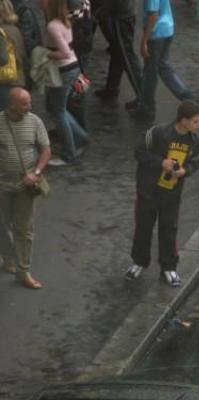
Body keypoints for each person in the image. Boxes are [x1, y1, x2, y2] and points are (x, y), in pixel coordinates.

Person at [126, 100, 199, 286]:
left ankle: (169, 267)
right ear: (183, 121)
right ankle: (139, 262)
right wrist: (161, 163)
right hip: (148, 191)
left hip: (172, 193)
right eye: (196, 121)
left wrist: (185, 171)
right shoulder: (158, 133)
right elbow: (139, 151)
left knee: (169, 229)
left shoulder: (196, 139)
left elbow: (197, 160)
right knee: (143, 228)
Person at [0, 87, 51, 289]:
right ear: (11, 105)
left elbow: (46, 150)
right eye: (25, 103)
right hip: (2, 187)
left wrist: (35, 173)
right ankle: (8, 257)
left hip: (24, 187)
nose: (30, 106)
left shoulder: (34, 122)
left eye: (29, 102)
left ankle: (23, 271)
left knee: (24, 230)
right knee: (2, 226)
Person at [129, 0, 193, 121]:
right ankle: (186, 96)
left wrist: (144, 40)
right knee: (163, 67)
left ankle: (147, 108)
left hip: (156, 33)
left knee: (150, 72)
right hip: (167, 28)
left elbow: (153, 15)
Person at [44, 0, 89, 165]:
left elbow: (64, 52)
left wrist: (47, 54)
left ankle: (69, 153)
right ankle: (81, 137)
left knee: (58, 110)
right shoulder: (66, 22)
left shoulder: (53, 26)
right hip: (73, 68)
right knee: (56, 108)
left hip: (64, 70)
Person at [92, 0, 143, 105]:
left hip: (117, 14)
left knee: (125, 54)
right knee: (118, 51)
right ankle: (112, 88)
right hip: (114, 13)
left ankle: (144, 96)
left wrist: (97, 14)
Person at [0, 0, 28, 110]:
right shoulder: (15, 29)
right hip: (18, 78)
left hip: (5, 81)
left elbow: (3, 58)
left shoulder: (1, 31)